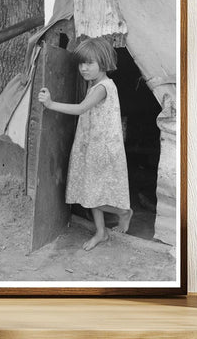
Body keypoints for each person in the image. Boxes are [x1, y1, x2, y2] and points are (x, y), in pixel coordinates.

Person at [38, 37, 132, 251]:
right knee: (91, 189)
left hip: (102, 149)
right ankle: (101, 232)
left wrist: (51, 104)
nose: (84, 68)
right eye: (81, 63)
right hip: (90, 146)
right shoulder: (95, 85)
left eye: (89, 63)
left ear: (104, 62)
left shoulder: (103, 87)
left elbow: (81, 109)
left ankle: (122, 212)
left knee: (92, 194)